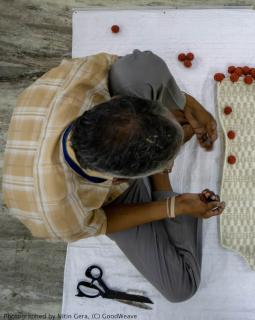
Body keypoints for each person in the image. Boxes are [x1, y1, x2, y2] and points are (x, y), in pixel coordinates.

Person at [2, 49, 225, 303]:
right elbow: (105, 220)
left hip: (104, 144)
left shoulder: (81, 79)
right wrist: (174, 205)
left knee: (143, 70)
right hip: (100, 200)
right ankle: (161, 177)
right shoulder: (56, 214)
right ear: (121, 181)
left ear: (114, 105)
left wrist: (187, 105)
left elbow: (138, 70)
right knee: (180, 286)